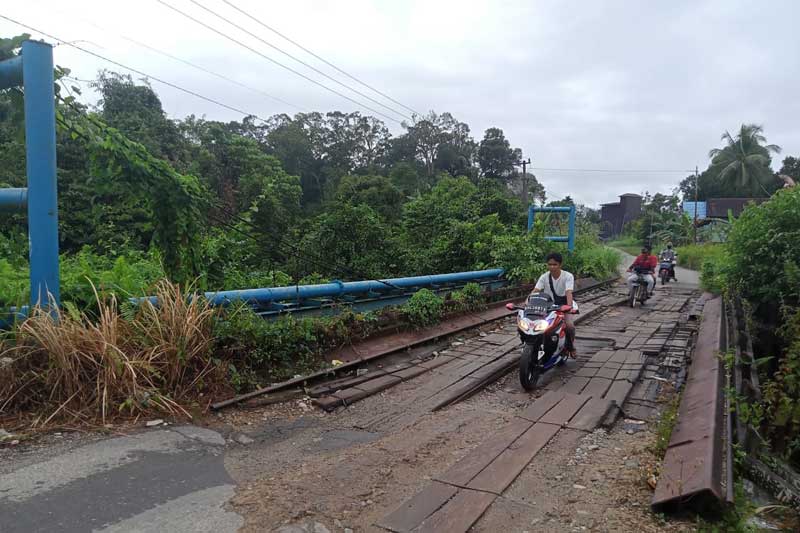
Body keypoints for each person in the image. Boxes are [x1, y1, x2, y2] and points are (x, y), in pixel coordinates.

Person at [531, 252, 577, 357]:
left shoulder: (568, 276)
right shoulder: (544, 277)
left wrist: (568, 308)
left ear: (560, 265)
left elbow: (568, 292)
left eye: (555, 264)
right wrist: (527, 303)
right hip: (548, 305)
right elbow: (536, 290)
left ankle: (570, 346)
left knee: (569, 326)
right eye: (550, 264)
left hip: (564, 305)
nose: (552, 267)